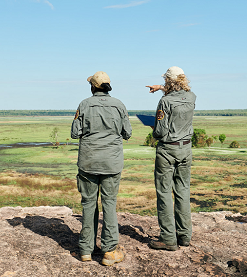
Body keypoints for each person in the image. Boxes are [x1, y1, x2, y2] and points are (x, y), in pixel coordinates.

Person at [71, 71, 132, 265]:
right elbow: (127, 133)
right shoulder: (119, 105)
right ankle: (109, 250)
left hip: (88, 161)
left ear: (93, 86)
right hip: (111, 162)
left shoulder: (84, 104)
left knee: (88, 204)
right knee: (109, 203)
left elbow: (75, 132)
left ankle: (86, 250)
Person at [146, 66, 196, 251]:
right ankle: (184, 235)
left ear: (169, 80)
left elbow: (160, 131)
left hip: (168, 150)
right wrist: (160, 87)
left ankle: (168, 238)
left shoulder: (165, 102)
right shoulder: (191, 97)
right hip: (186, 149)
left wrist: (153, 127)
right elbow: (180, 93)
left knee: (164, 193)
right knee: (183, 191)